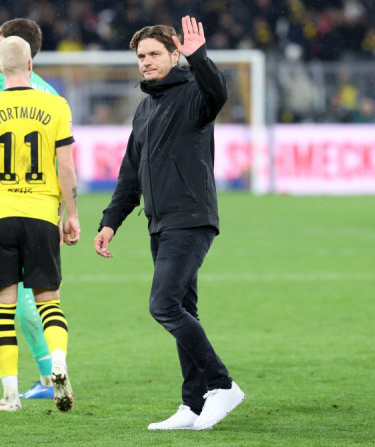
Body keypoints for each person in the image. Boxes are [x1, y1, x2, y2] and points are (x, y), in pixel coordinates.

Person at [94, 16, 245, 430]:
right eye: (141, 56)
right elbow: (129, 174)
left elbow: (218, 92)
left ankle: (222, 385)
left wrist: (200, 58)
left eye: (154, 54)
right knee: (182, 308)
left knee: (163, 305)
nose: (145, 61)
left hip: (191, 218)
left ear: (174, 55)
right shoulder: (145, 109)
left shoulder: (195, 93)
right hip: (160, 223)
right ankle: (192, 404)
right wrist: (110, 222)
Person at [0, 35, 80, 412]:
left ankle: (9, 396)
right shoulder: (56, 105)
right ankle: (57, 362)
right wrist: (71, 215)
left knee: (3, 311)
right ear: (31, 65)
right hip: (42, 216)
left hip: (1, 217)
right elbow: (66, 166)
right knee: (49, 303)